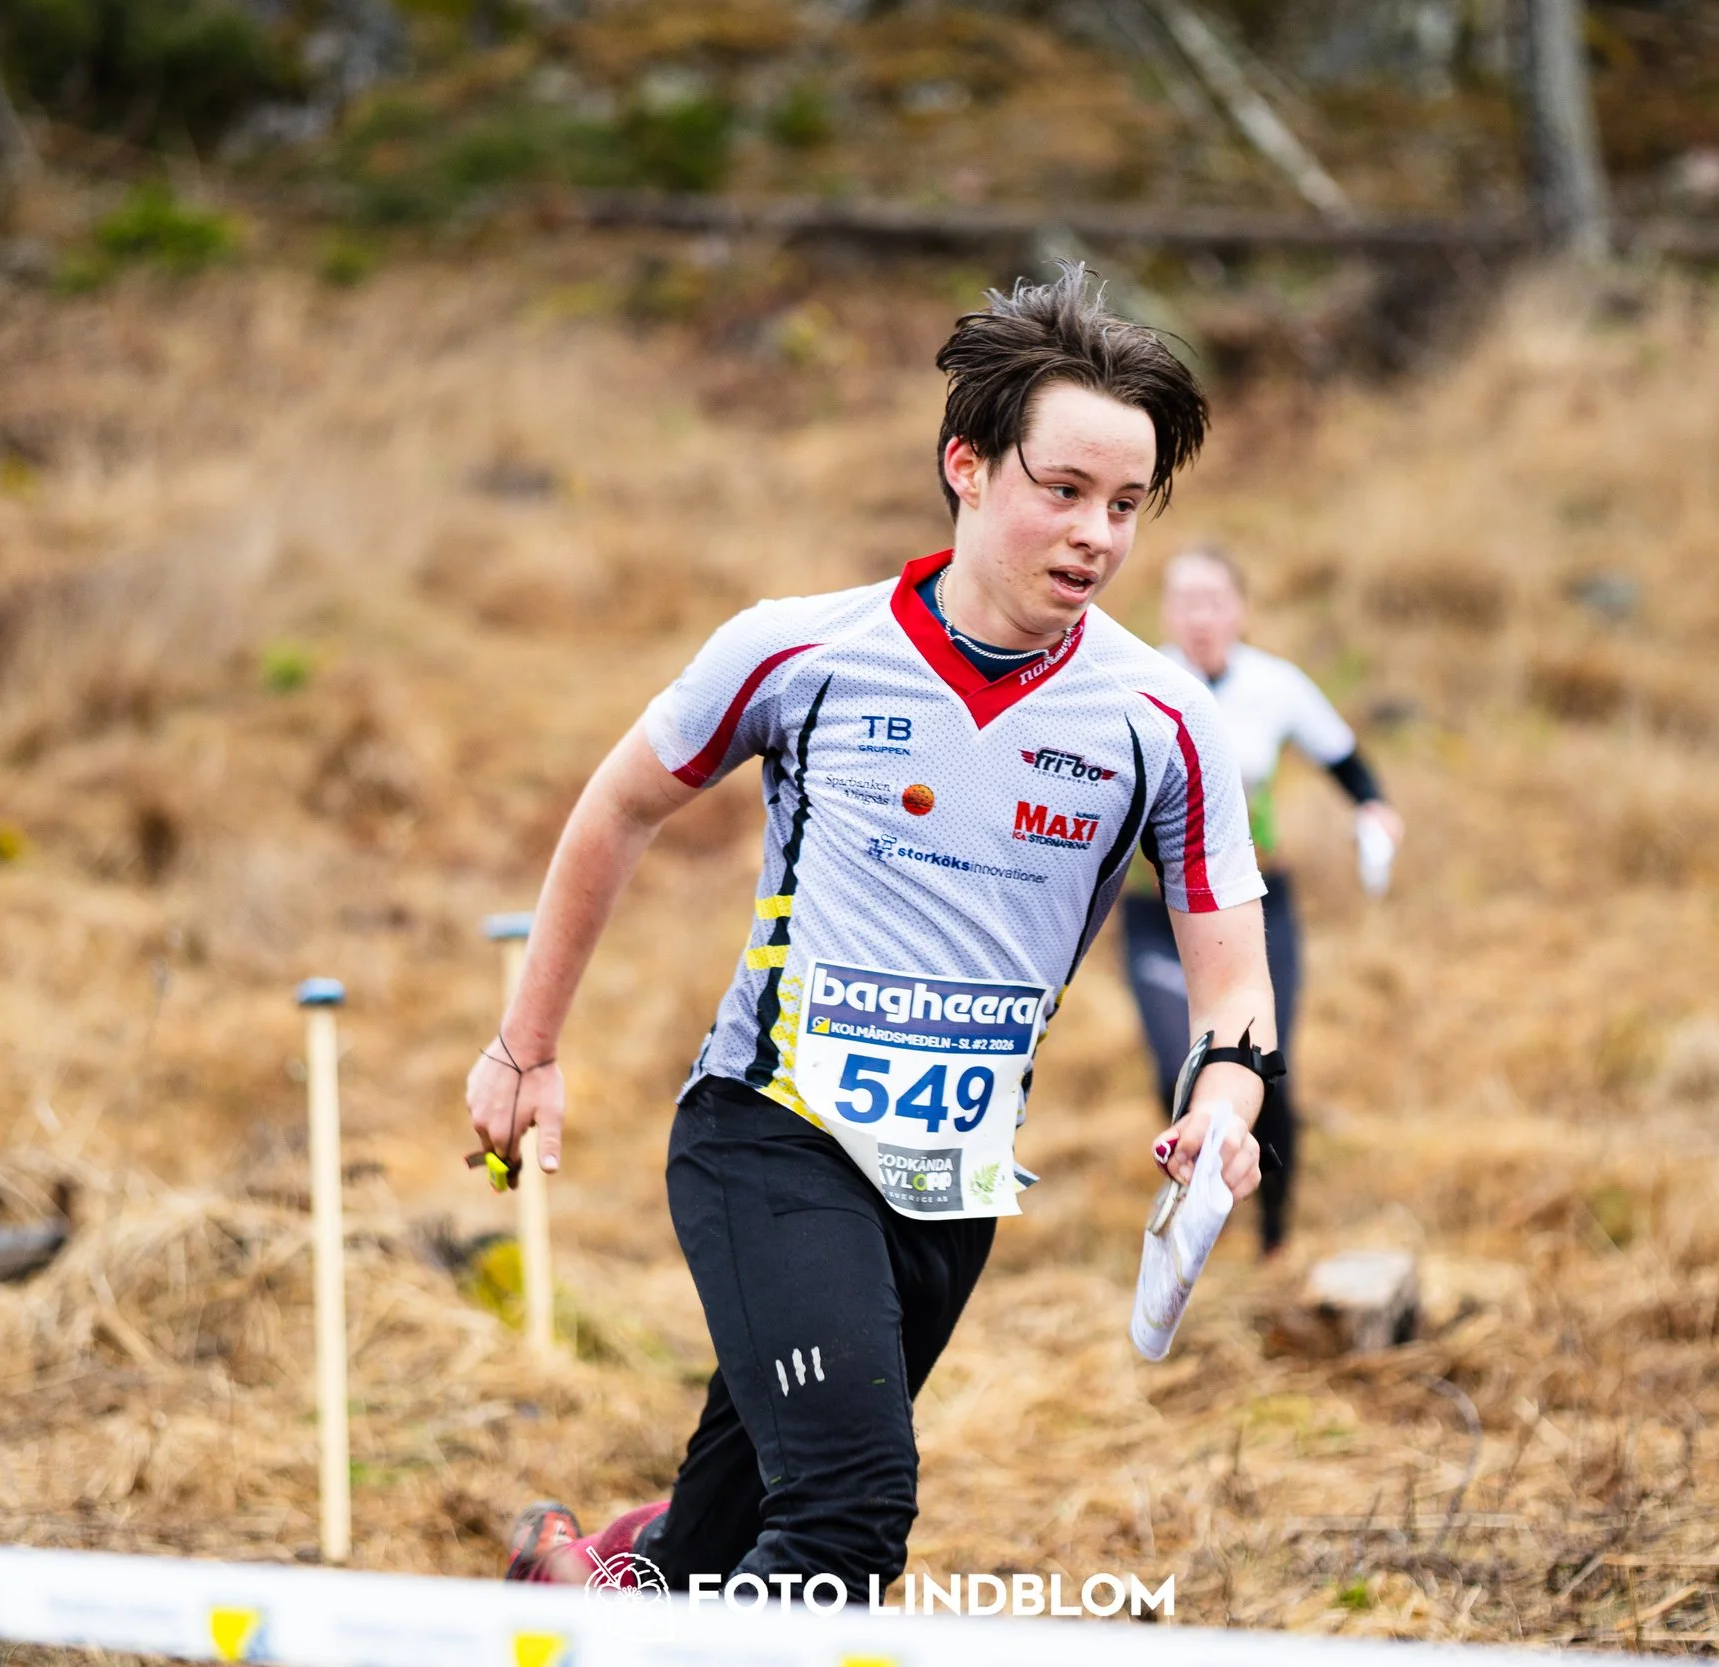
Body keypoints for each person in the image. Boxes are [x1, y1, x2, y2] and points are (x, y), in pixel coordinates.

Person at [468, 266, 1285, 1600]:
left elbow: (1233, 976)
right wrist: (526, 1045)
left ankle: (595, 1580)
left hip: (951, 1180)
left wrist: (1228, 1097)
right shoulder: (804, 652)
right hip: (770, 1131)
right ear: (967, 464)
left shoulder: (1163, 717)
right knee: (849, 1511)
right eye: (1062, 489)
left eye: (1127, 505)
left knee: (723, 1545)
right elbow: (617, 808)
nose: (1095, 533)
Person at [1119, 546, 1403, 1259]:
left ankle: (1273, 1235)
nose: (1200, 617)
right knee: (1175, 1071)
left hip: (1255, 906)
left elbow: (1345, 760)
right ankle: (1195, 1219)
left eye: (1215, 601)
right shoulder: (1134, 679)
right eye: (1186, 602)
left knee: (1265, 1069)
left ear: (1240, 611)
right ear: (1167, 613)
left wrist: (1375, 807)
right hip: (1161, 914)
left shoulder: (1278, 686)